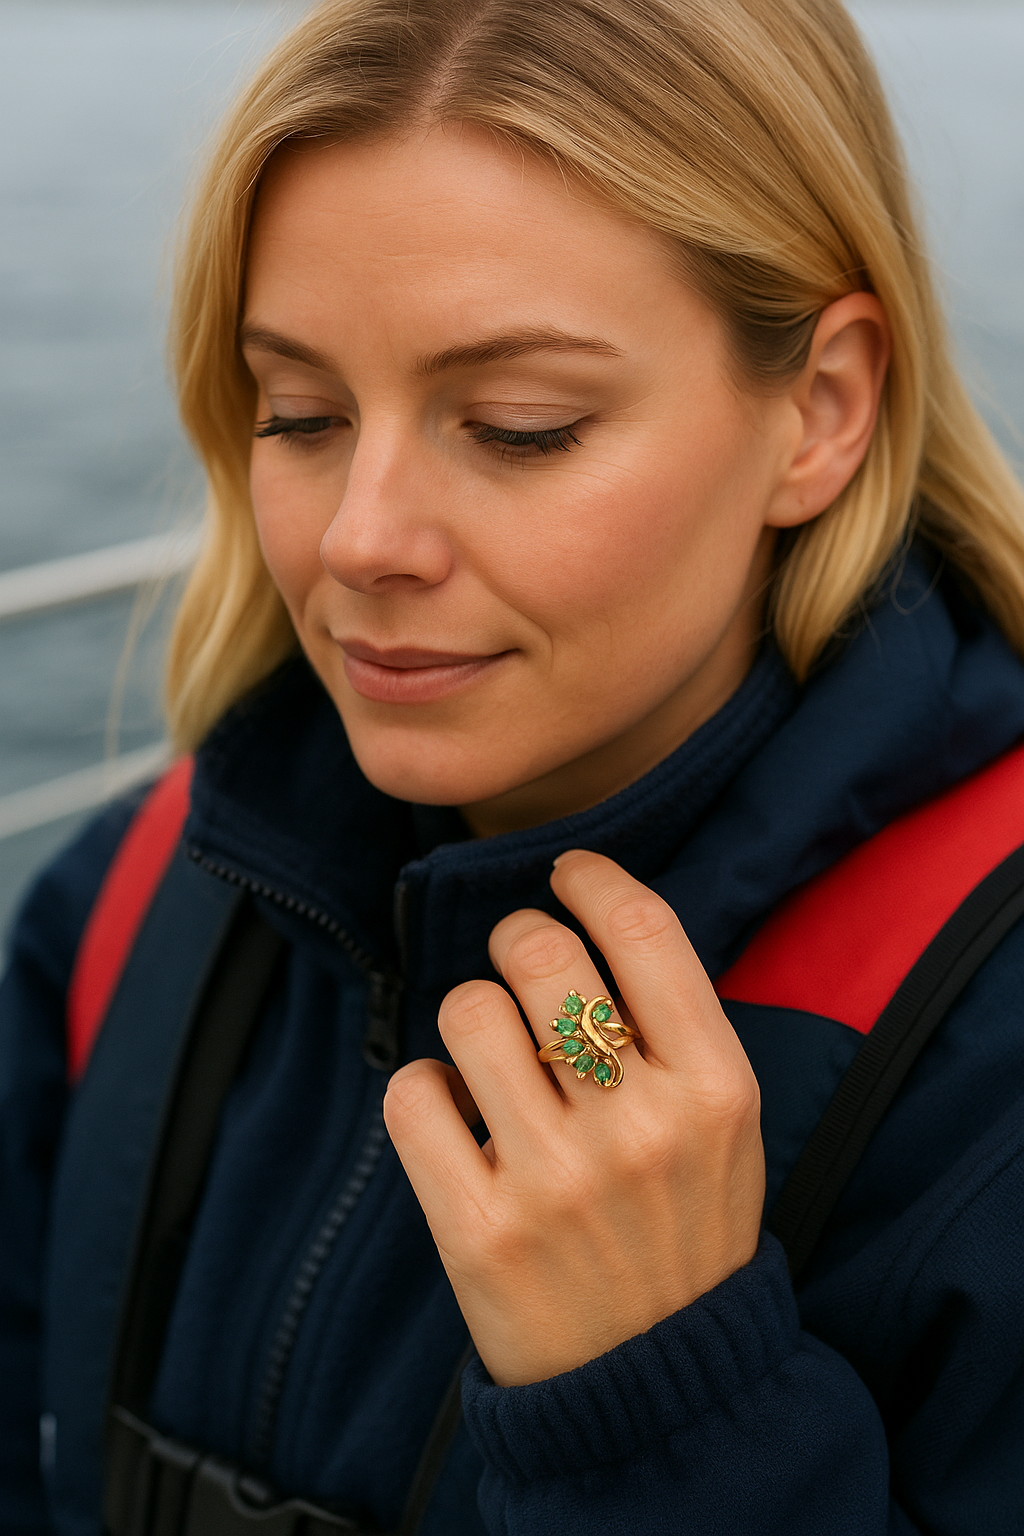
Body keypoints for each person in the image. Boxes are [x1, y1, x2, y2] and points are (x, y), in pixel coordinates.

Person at [3, 0, 1024, 1531]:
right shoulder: (128, 899)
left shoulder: (994, 1075)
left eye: (519, 424)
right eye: (301, 413)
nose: (360, 538)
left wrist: (671, 1405)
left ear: (821, 410)